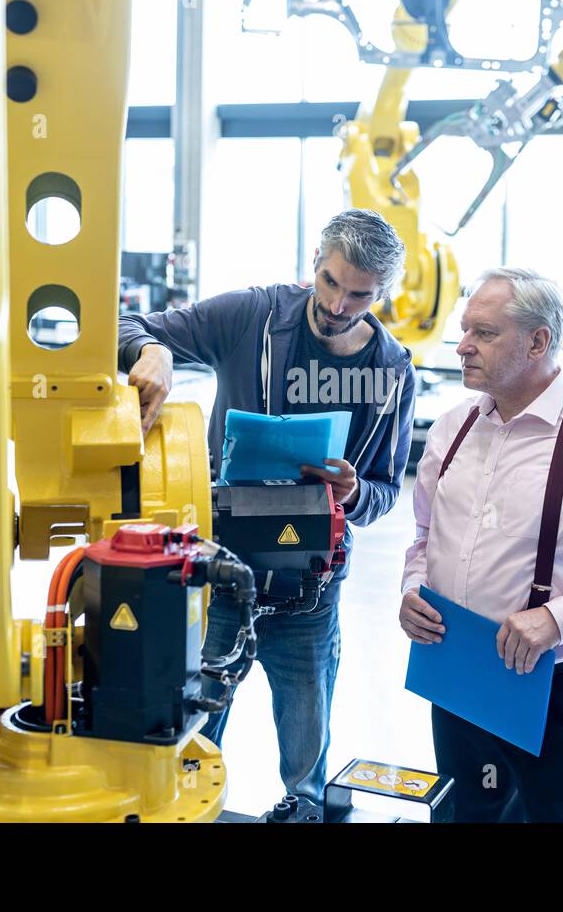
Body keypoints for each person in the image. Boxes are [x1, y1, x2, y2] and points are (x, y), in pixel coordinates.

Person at [117, 208, 416, 806]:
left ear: (383, 293)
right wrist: (149, 351)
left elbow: (385, 489)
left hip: (311, 584)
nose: (337, 305)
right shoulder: (252, 316)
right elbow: (121, 323)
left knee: (306, 754)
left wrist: (355, 491)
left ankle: (302, 814)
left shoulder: (391, 369)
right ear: (314, 264)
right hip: (222, 567)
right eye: (330, 283)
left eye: (360, 295)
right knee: (192, 737)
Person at [399, 267, 563, 822]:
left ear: (537, 341)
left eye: (484, 332)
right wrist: (415, 590)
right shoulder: (451, 428)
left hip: (561, 682)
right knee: (466, 814)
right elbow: (424, 537)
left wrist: (557, 618)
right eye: (464, 330)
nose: (462, 346)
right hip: (457, 669)